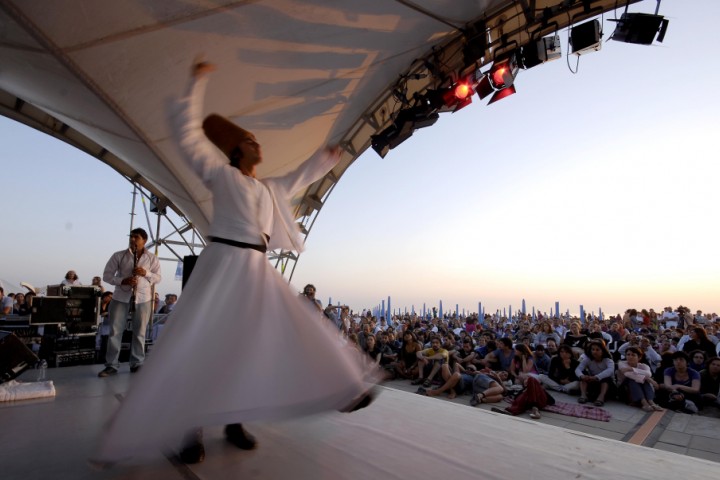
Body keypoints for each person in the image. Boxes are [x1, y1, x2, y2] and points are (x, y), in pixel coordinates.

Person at [92, 60, 376, 466]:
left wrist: (325, 159)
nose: (261, 145)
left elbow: (299, 177)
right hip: (223, 265)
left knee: (257, 343)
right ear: (238, 149)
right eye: (253, 141)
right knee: (202, 346)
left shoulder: (268, 188)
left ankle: (323, 393)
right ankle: (189, 427)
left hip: (256, 272)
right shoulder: (220, 175)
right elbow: (188, 136)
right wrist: (196, 82)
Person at [98, 228, 162, 377]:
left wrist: (145, 273)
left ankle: (137, 363)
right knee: (115, 332)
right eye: (131, 237)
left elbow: (158, 278)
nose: (133, 239)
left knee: (139, 332)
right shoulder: (119, 255)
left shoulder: (152, 258)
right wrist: (123, 280)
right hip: (121, 297)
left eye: (136, 237)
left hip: (143, 299)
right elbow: (107, 276)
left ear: (144, 240)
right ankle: (111, 365)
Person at [616, 346, 662, 412]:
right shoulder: (622, 363)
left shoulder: (643, 366)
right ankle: (644, 403)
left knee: (643, 380)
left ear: (639, 357)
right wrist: (649, 379)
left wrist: (632, 369)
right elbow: (629, 375)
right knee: (633, 379)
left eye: (633, 355)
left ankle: (651, 402)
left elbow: (648, 374)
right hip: (624, 390)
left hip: (639, 389)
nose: (630, 357)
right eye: (628, 355)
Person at [575, 340, 615, 406]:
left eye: (597, 350)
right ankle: (583, 396)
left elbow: (610, 371)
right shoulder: (588, 359)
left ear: (602, 351)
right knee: (583, 375)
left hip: (608, 385)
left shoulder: (608, 361)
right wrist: (582, 376)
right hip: (593, 382)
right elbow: (578, 369)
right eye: (593, 349)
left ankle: (601, 398)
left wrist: (596, 377)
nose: (594, 352)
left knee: (606, 378)